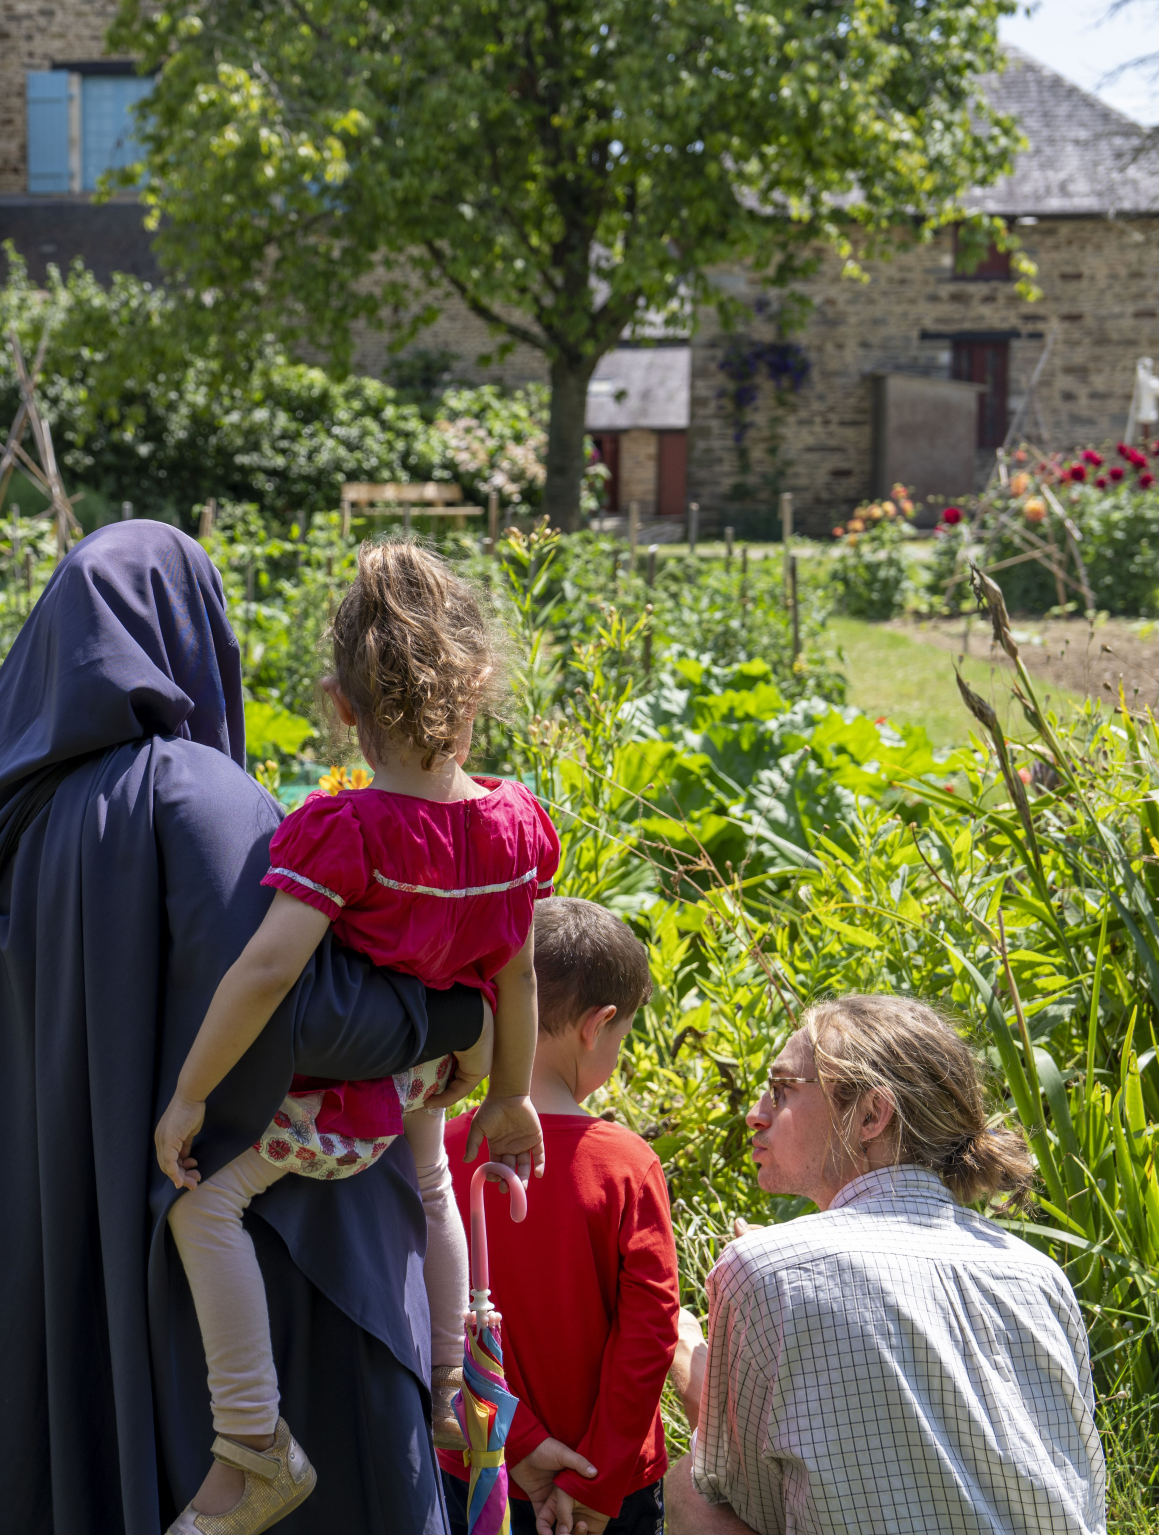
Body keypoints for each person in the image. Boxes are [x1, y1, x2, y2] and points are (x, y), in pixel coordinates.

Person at [0, 522, 492, 1535]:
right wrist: (452, 1012)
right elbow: (306, 1020)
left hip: (23, 1281)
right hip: (189, 1288)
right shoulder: (198, 800)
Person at [150, 541, 558, 1535]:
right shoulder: (517, 823)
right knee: (432, 1189)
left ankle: (252, 1436)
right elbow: (515, 971)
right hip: (432, 1083)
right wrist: (507, 1098)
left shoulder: (346, 831)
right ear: (478, 693)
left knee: (203, 1213)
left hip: (342, 1099)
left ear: (340, 704)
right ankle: (450, 1379)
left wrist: (193, 1096)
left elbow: (265, 972)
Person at [663, 995, 1106, 1535]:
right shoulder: (1039, 1274)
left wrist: (696, 1385)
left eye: (781, 1091)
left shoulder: (766, 1268)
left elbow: (750, 1504)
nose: (755, 1113)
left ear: (871, 1115)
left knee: (687, 1490)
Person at [440, 897, 676, 1535]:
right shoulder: (627, 1163)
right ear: (597, 1026)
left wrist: (520, 1447)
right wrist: (595, 1475)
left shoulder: (440, 1149)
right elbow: (651, 1332)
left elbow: (422, 1307)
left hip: (479, 1467)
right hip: (610, 1485)